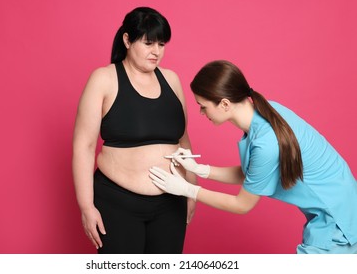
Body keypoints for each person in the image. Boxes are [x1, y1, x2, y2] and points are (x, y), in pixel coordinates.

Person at [149, 60, 357, 254]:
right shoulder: (267, 114)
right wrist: (199, 168)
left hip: (338, 224)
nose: (202, 113)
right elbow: (254, 174)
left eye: (203, 106)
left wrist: (188, 189)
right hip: (340, 212)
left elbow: (242, 204)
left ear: (224, 104)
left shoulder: (266, 142)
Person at [72, 7, 197, 254]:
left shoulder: (171, 79)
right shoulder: (104, 79)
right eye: (149, 43)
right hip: (117, 203)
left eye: (161, 44)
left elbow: (183, 141)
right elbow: (83, 146)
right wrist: (86, 206)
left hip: (171, 202)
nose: (156, 52)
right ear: (127, 40)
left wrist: (191, 191)